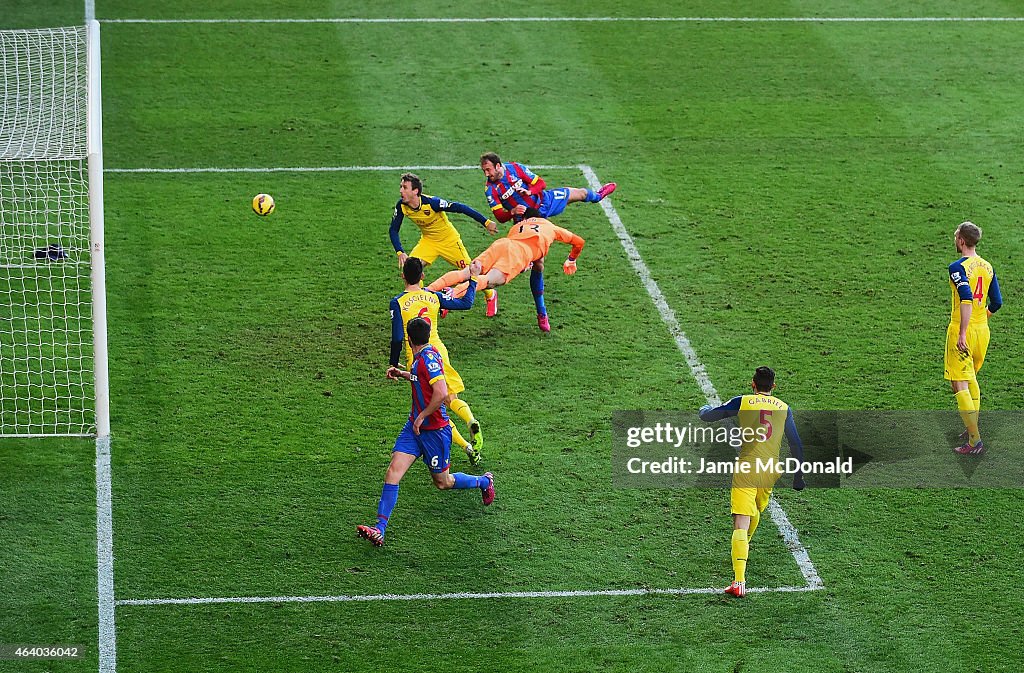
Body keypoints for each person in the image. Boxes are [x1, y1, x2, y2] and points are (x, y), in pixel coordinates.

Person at [357, 317, 495, 547]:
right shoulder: (425, 354)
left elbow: (440, 392)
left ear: (409, 339)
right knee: (393, 472)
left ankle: (484, 481)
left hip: (435, 432)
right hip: (414, 429)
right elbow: (423, 379)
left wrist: (422, 416)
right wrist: (404, 375)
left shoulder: (426, 358)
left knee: (443, 482)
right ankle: (379, 528)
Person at [698, 367, 806, 598]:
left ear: (753, 384)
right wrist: (798, 476)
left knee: (741, 522)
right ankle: (742, 549)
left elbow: (709, 416)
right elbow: (796, 444)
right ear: (773, 387)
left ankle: (739, 581)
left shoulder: (743, 401)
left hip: (747, 468)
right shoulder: (784, 408)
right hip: (770, 471)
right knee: (755, 511)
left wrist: (703, 410)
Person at [390, 256, 484, 465]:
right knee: (450, 398)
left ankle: (467, 447)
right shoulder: (432, 296)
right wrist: (474, 277)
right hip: (439, 351)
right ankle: (470, 420)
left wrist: (393, 363)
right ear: (422, 276)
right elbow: (466, 303)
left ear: (403, 276)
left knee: (434, 410)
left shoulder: (398, 302)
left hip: (417, 357)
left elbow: (397, 337)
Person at [426, 214, 584, 333]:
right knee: (489, 281)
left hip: (503, 243)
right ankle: (452, 294)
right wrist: (571, 260)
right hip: (518, 254)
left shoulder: (518, 226)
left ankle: (428, 290)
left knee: (467, 272)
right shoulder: (551, 228)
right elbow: (579, 242)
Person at [389, 172, 499, 315]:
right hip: (428, 242)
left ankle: (490, 294)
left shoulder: (432, 203)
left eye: (404, 187)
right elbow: (393, 230)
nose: (401, 191)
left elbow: (460, 208)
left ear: (415, 191)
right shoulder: (402, 206)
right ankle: (422, 304)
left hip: (449, 241)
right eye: (401, 187)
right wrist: (400, 251)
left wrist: (486, 222)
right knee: (411, 271)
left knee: (472, 271)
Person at [944, 221, 1002, 455]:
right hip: (982, 331)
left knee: (959, 383)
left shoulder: (957, 267)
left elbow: (966, 298)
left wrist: (962, 332)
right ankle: (971, 429)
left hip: (964, 330)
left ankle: (974, 440)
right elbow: (996, 303)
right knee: (970, 380)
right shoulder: (988, 267)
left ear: (961, 240)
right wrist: (981, 320)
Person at [480, 152, 616, 224]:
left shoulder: (515, 168)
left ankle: (598, 196)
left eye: (488, 170)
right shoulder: (490, 190)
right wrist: (512, 212)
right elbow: (500, 217)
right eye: (484, 171)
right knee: (538, 260)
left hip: (544, 201)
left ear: (498, 166)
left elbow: (541, 183)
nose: (486, 174)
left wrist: (530, 191)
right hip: (525, 218)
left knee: (581, 193)